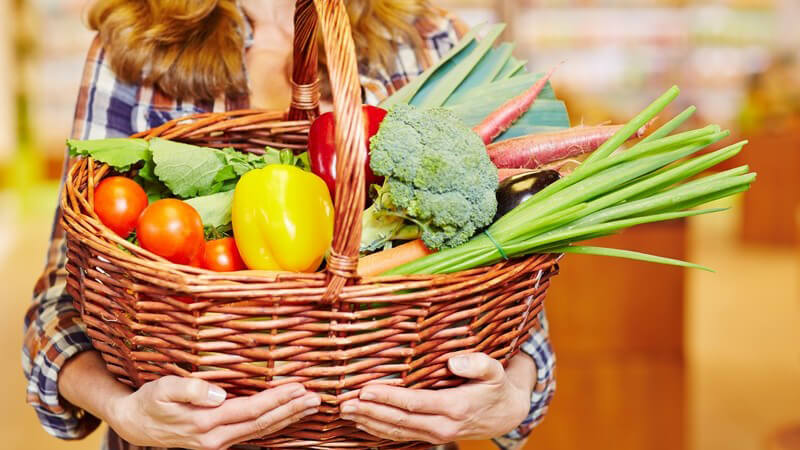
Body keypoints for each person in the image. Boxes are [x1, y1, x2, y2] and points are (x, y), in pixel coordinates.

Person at [23, 1, 556, 449]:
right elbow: (63, 293)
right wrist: (125, 409)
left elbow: (507, 287)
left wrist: (509, 397)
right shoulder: (138, 42)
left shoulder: (427, 41)